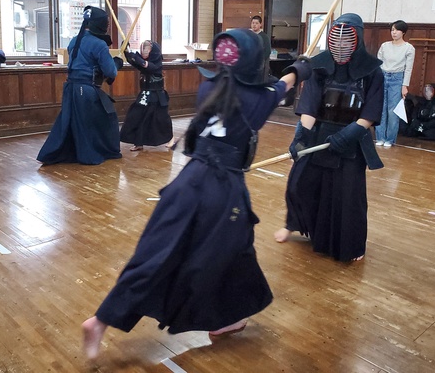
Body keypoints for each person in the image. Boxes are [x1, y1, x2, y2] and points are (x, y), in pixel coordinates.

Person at [81, 28, 312, 361]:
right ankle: (225, 316)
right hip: (223, 190)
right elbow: (282, 87)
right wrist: (299, 68)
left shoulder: (208, 88)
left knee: (156, 253)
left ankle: (100, 321)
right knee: (230, 251)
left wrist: (292, 73)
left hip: (187, 183)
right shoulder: (257, 101)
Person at [274, 13, 384, 262]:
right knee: (300, 181)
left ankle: (350, 246)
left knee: (347, 195)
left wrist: (349, 134)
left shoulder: (373, 71)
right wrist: (301, 137)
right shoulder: (319, 66)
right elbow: (310, 105)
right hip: (319, 133)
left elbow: (370, 112)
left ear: (357, 39)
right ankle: (296, 225)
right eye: (338, 38)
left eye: (347, 39)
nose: (342, 44)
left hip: (352, 137)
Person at [37, 6, 123, 165]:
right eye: (106, 23)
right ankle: (92, 154)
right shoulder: (99, 44)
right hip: (86, 90)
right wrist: (117, 63)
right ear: (99, 24)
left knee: (72, 121)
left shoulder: (74, 40)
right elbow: (110, 71)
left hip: (71, 89)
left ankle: (66, 153)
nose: (107, 26)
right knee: (101, 120)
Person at [120, 40, 174, 151]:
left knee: (161, 119)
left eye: (147, 50)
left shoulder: (156, 65)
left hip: (157, 96)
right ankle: (138, 142)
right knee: (137, 116)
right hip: (145, 95)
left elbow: (145, 65)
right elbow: (135, 62)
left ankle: (170, 138)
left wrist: (134, 56)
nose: (144, 52)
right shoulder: (143, 63)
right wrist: (126, 50)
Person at [374, 20, 415, 147]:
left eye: (397, 30)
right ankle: (380, 137)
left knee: (392, 111)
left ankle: (390, 139)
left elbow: (408, 69)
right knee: (381, 109)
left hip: (397, 78)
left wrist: (405, 85)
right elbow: (378, 63)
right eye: (392, 30)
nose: (394, 32)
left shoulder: (409, 48)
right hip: (383, 76)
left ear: (403, 32)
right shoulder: (385, 46)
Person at [250, 15, 272, 81]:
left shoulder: (264, 37)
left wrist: (260, 60)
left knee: (257, 80)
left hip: (258, 64)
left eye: (256, 23)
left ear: (260, 24)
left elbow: (268, 51)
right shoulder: (249, 35)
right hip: (248, 63)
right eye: (253, 23)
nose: (254, 25)